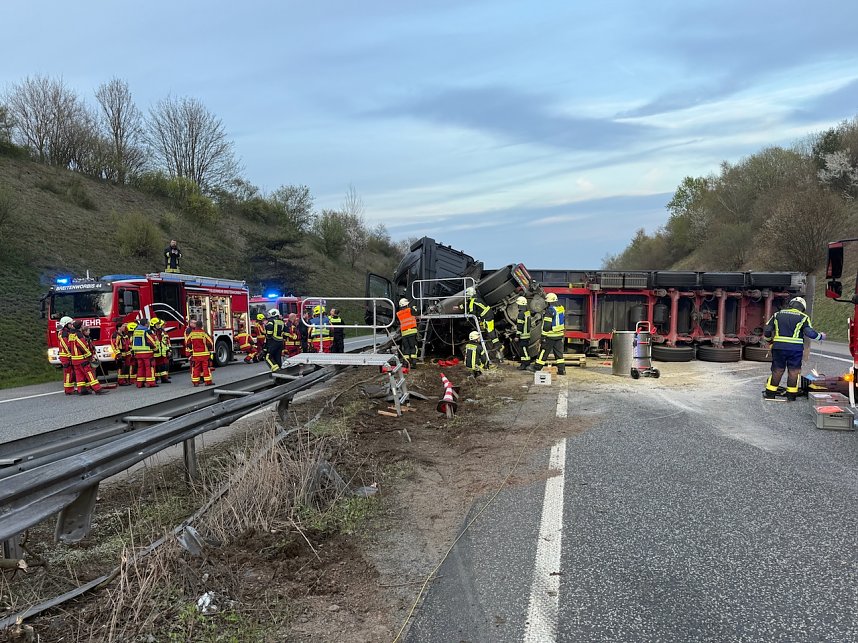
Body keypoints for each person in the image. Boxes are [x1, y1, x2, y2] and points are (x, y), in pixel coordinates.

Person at [763, 296, 826, 401]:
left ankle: (770, 393)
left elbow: (767, 330)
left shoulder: (777, 315)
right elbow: (809, 332)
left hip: (779, 347)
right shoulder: (803, 317)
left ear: (790, 304)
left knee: (777, 370)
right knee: (794, 371)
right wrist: (820, 336)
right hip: (795, 349)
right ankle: (791, 395)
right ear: (802, 308)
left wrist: (770, 341)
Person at [529, 292, 566, 375]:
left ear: (549, 302)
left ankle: (537, 367)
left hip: (550, 335)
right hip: (559, 335)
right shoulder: (561, 308)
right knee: (559, 354)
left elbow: (547, 325)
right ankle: (561, 370)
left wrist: (543, 336)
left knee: (543, 352)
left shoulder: (550, 310)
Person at [461, 287, 501, 361]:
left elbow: (472, 312)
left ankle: (497, 345)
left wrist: (466, 310)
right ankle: (496, 344)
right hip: (489, 315)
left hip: (486, 317)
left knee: (489, 331)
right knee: (489, 330)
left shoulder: (473, 301)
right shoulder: (477, 298)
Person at [68, 321, 107, 395]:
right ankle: (97, 389)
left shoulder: (71, 335)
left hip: (74, 359)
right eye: (82, 325)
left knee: (79, 375)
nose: (83, 326)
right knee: (90, 373)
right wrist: (89, 355)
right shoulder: (79, 335)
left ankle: (81, 390)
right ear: (80, 326)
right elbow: (82, 346)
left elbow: (69, 347)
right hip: (82, 359)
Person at [131, 318, 159, 388]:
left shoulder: (136, 331)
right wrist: (156, 348)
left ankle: (140, 383)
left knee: (140, 368)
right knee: (149, 367)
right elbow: (151, 341)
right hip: (147, 353)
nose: (149, 324)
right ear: (145, 324)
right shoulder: (147, 331)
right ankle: (150, 382)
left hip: (138, 353)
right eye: (148, 322)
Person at [185, 320, 215, 386]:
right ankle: (208, 382)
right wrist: (209, 349)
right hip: (204, 355)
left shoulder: (192, 334)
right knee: (206, 368)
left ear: (196, 325)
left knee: (196, 368)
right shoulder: (204, 333)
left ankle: (195, 382)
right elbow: (210, 343)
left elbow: (187, 343)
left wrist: (192, 349)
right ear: (201, 326)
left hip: (196, 355)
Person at [396, 298, 419, 369]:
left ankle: (405, 363)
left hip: (404, 333)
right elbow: (417, 312)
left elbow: (397, 322)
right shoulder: (410, 310)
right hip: (412, 332)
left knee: (406, 348)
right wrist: (414, 307)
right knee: (413, 347)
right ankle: (413, 363)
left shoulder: (398, 314)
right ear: (407, 304)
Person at [57, 316, 77, 394]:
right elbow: (65, 345)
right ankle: (68, 389)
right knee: (68, 372)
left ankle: (70, 388)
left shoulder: (65, 332)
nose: (71, 325)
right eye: (70, 324)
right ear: (66, 324)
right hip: (66, 356)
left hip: (65, 356)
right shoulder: (64, 333)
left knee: (70, 372)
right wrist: (70, 355)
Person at [150, 318, 172, 383]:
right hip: (155, 353)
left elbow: (167, 342)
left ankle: (164, 379)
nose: (159, 326)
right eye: (157, 324)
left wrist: (169, 350)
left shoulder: (162, 332)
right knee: (155, 367)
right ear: (153, 325)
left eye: (159, 324)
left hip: (163, 352)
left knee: (163, 366)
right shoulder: (151, 333)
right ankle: (155, 379)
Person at [515, 296, 533, 370]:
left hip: (523, 336)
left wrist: (517, 336)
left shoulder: (521, 314)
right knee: (524, 350)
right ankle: (524, 363)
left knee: (523, 350)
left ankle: (525, 364)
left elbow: (520, 326)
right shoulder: (527, 312)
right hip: (527, 334)